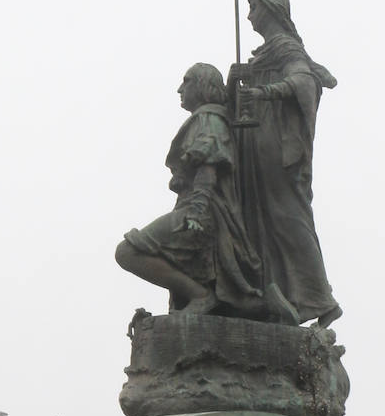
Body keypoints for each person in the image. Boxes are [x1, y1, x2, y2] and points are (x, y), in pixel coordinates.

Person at [116, 63, 296, 324]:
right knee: (226, 293)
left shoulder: (208, 118)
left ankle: (200, 296)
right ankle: (264, 304)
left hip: (201, 210)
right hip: (199, 209)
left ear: (202, 85)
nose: (180, 89)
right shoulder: (210, 117)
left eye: (186, 81)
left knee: (127, 252)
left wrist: (197, 212)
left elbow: (209, 163)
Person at [229, 0, 342, 328]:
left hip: (276, 146)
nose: (248, 16)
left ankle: (320, 298)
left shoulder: (285, 47)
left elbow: (303, 82)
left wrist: (263, 92)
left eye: (253, 8)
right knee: (262, 218)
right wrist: (242, 77)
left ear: (270, 9)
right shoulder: (270, 52)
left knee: (287, 216)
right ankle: (277, 294)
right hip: (260, 142)